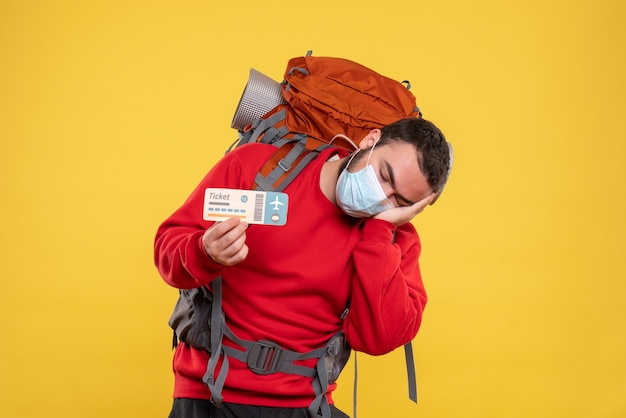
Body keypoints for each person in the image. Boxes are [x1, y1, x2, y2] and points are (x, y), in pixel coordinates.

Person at [154, 116, 451, 418]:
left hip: (306, 404)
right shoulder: (260, 169)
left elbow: (378, 338)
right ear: (370, 141)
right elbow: (167, 251)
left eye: (399, 201)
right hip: (208, 393)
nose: (381, 197)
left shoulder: (395, 240)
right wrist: (203, 251)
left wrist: (378, 233)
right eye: (384, 176)